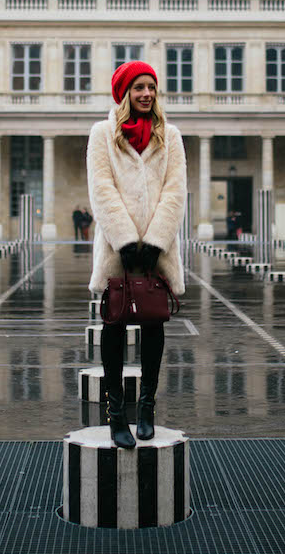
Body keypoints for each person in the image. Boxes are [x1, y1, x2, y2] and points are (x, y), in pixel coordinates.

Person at [87, 60, 187, 448]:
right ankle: (117, 414)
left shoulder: (170, 135)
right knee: (113, 326)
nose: (146, 94)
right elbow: (101, 188)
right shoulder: (102, 134)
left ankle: (147, 406)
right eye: (139, 88)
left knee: (153, 324)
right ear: (124, 93)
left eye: (151, 87)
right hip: (117, 248)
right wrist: (126, 240)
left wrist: (155, 241)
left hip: (158, 250)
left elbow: (176, 191)